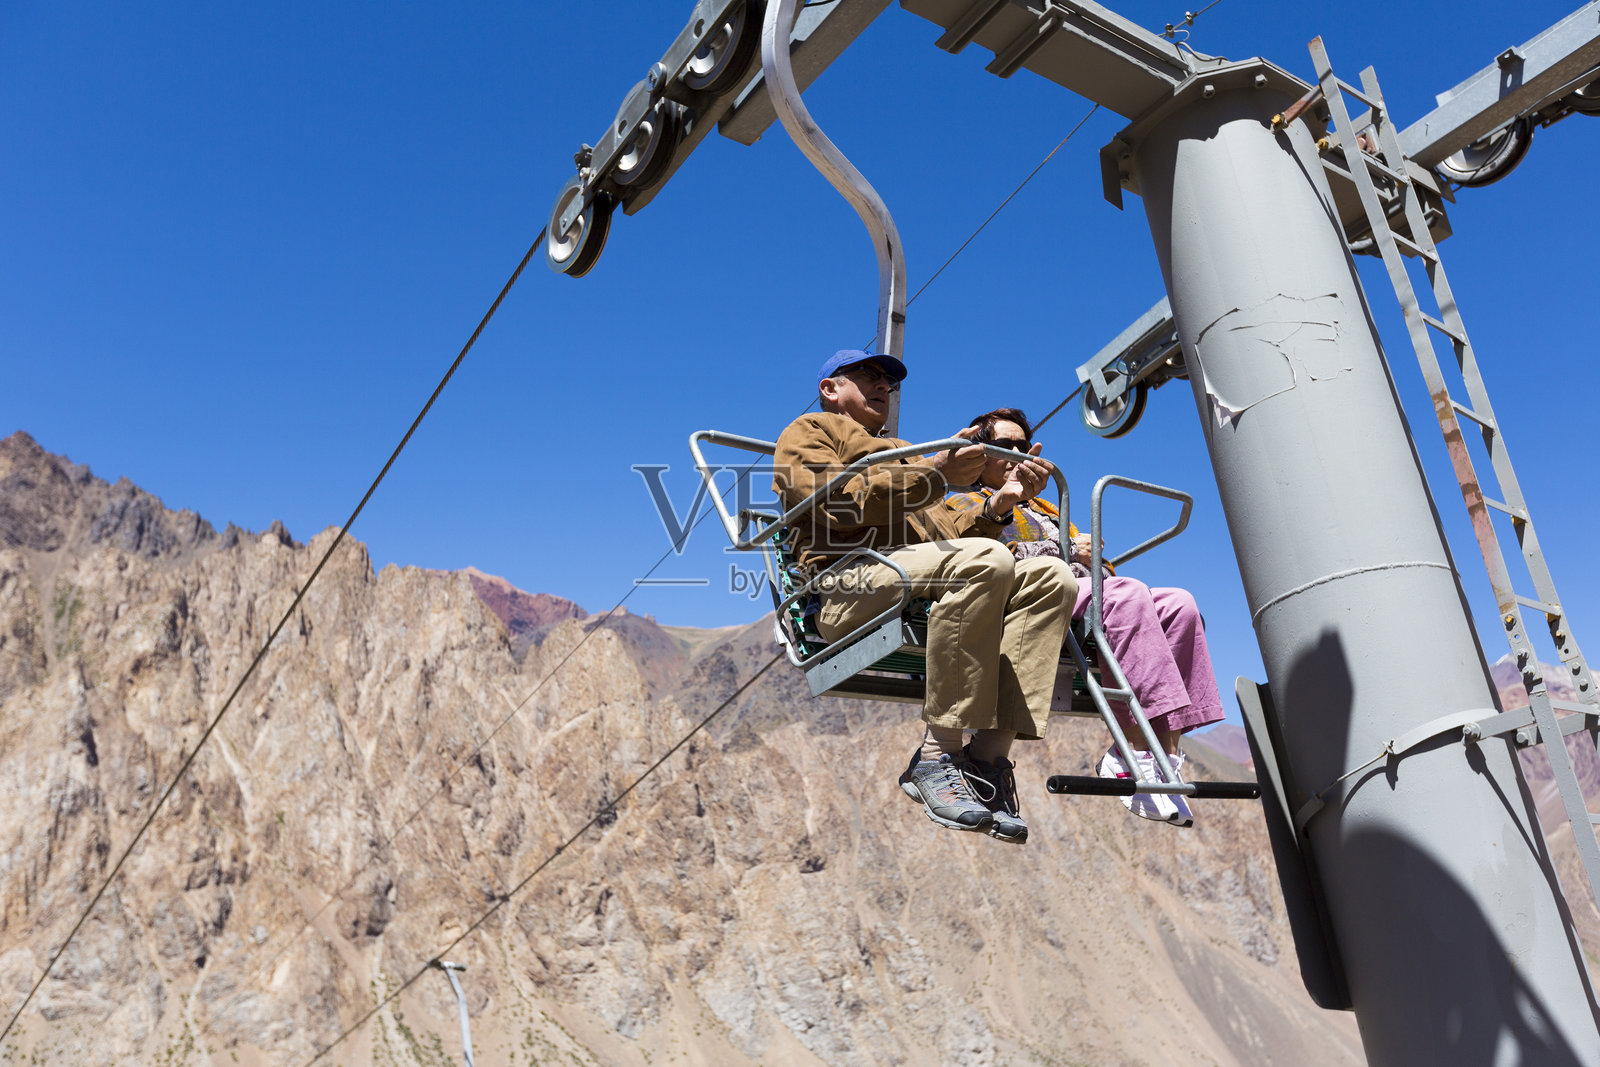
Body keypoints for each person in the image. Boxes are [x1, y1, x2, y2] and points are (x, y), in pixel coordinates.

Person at [772, 351, 1077, 845]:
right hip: (845, 586)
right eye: (868, 376)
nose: (882, 387)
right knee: (984, 561)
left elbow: (943, 530)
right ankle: (938, 754)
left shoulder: (901, 450)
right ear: (830, 388)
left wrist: (999, 505)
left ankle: (988, 761)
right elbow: (832, 501)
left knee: (1052, 578)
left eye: (889, 383)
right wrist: (935, 471)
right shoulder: (811, 432)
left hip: (905, 575)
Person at [949, 407, 1225, 826]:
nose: (1017, 454)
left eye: (1024, 446)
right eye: (1004, 446)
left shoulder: (1048, 506)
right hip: (1027, 593)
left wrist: (1089, 555)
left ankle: (1165, 754)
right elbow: (974, 557)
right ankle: (1132, 748)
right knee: (1128, 594)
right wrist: (1061, 552)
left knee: (1179, 604)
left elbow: (1101, 565)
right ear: (978, 455)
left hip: (1084, 590)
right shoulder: (965, 504)